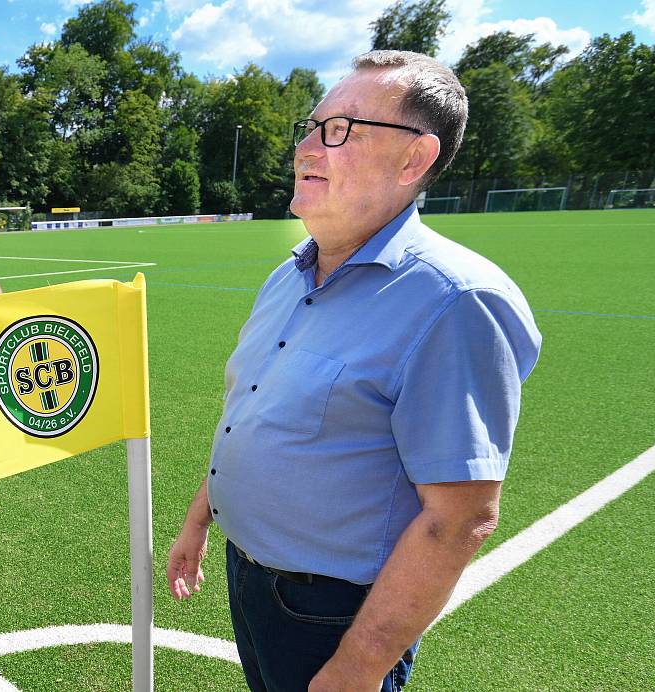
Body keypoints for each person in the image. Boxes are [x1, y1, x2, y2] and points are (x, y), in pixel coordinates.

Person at [165, 50, 542, 691]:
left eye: (339, 129)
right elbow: (255, 411)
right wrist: (204, 514)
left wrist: (358, 667)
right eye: (310, 127)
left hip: (333, 613)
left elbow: (460, 519)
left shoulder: (455, 300)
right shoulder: (288, 276)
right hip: (248, 574)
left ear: (414, 159)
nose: (308, 148)